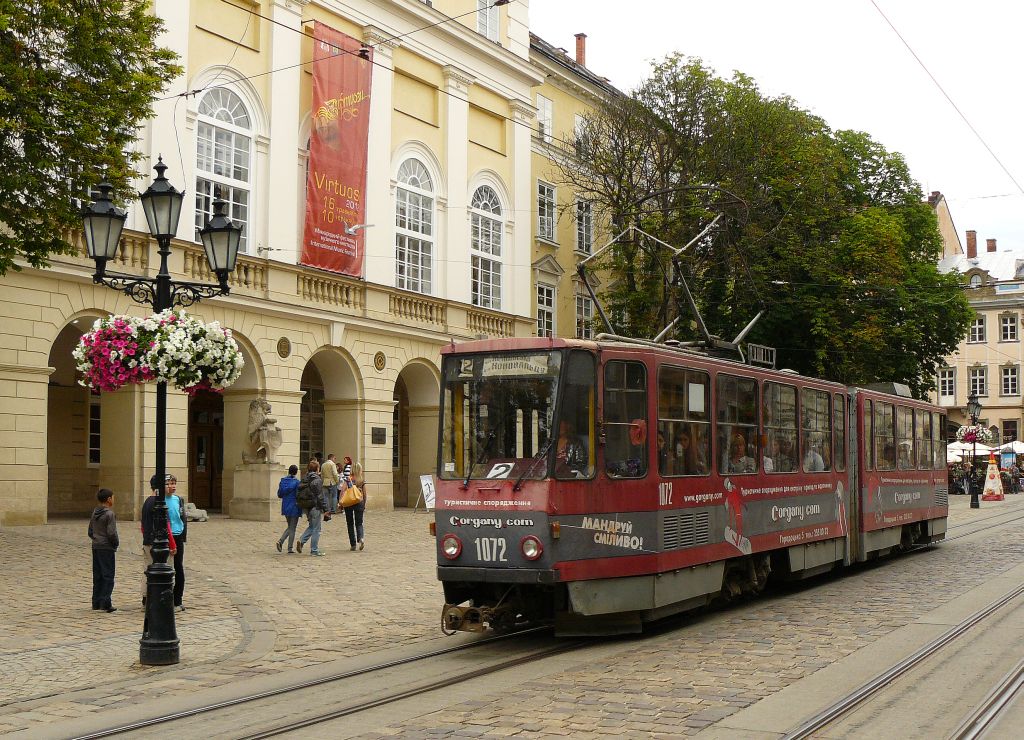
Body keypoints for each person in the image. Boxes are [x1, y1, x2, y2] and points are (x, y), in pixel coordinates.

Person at [140, 475, 177, 606]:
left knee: (148, 570)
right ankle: (160, 600)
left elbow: (143, 526)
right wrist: (172, 545)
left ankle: (146, 598)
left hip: (147, 541)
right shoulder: (159, 502)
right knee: (166, 571)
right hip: (159, 543)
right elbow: (167, 527)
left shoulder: (146, 502)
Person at [89, 488, 119, 613]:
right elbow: (111, 533)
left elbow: (90, 531)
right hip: (106, 547)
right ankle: (105, 602)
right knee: (108, 575)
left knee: (98, 575)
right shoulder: (109, 514)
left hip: (96, 545)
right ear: (109, 499)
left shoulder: (95, 512)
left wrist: (96, 538)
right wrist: (115, 544)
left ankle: (96, 602)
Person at [161, 474, 188, 612]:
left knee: (179, 568)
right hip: (166, 538)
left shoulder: (178, 500)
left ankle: (178, 599)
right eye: (169, 484)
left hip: (177, 536)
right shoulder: (160, 500)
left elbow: (182, 517)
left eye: (174, 483)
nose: (172, 486)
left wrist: (183, 535)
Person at [296, 459, 326, 556]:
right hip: (315, 505)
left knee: (312, 526)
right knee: (317, 529)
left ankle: (301, 540)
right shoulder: (317, 480)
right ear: (317, 468)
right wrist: (326, 509)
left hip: (306, 506)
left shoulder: (304, 478)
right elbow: (320, 496)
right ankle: (314, 550)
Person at [276, 464, 301, 553]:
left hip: (285, 505)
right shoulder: (297, 482)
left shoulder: (283, 481)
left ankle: (282, 542)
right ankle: (287, 546)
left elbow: (279, 494)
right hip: (294, 506)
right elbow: (298, 495)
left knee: (290, 526)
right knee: (292, 527)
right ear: (296, 472)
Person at [342, 461, 366, 551]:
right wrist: (364, 503)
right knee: (359, 523)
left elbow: (343, 490)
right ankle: (361, 538)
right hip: (359, 501)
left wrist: (341, 501)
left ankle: (353, 544)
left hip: (349, 502)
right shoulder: (361, 480)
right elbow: (365, 493)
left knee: (350, 523)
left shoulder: (348, 479)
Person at [321, 453, 340, 521]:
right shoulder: (332, 464)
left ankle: (327, 509)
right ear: (331, 458)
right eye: (334, 458)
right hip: (332, 482)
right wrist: (337, 481)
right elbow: (335, 473)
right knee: (334, 496)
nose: (335, 460)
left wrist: (322, 481)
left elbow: (322, 474)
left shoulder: (323, 464)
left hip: (325, 482)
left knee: (326, 497)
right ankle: (333, 510)